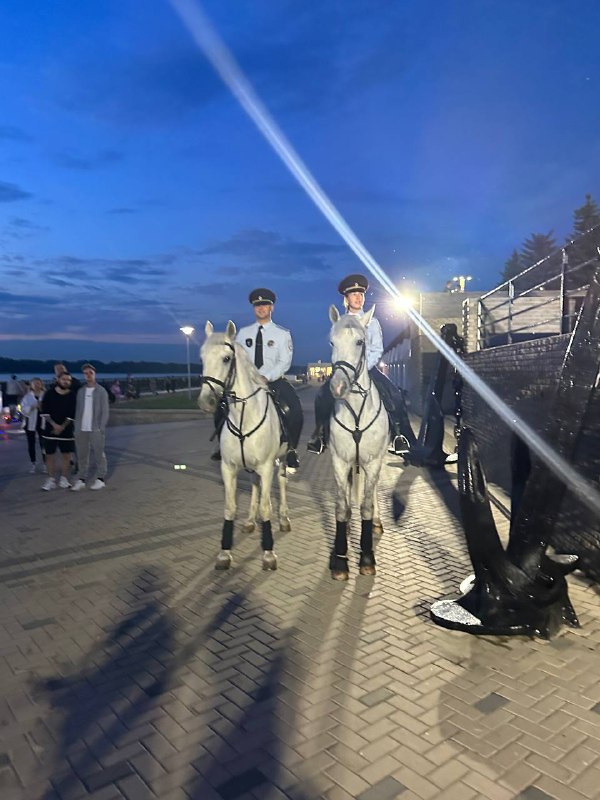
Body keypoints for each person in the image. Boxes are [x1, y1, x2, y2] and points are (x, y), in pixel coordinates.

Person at [306, 273, 416, 456]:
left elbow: (377, 349)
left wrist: (363, 368)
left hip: (368, 369)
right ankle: (320, 436)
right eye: (354, 294)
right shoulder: (339, 323)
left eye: (361, 294)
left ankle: (399, 435)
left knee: (394, 395)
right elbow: (336, 349)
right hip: (344, 370)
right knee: (322, 396)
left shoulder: (372, 322)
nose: (358, 297)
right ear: (346, 298)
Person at [212, 288, 303, 470]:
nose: (261, 308)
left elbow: (284, 362)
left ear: (271, 308)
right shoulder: (243, 333)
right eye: (257, 305)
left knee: (294, 409)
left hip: (274, 381)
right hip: (247, 383)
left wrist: (266, 376)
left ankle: (291, 449)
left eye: (265, 305)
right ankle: (223, 446)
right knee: (221, 407)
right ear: (254, 308)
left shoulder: (282, 334)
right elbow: (237, 359)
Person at [71, 364, 110, 491]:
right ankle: (82, 478)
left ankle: (101, 478)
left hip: (95, 428)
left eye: (90, 373)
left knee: (99, 453)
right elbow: (78, 410)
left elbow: (105, 411)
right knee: (82, 454)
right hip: (81, 428)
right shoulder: (81, 391)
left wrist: (101, 427)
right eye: (86, 373)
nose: (88, 375)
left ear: (94, 374)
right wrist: (76, 427)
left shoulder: (101, 391)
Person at [40, 371, 77, 490]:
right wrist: (54, 425)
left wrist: (62, 426)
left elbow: (72, 413)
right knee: (49, 455)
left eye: (68, 380)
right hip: (50, 431)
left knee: (66, 455)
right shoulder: (49, 394)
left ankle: (64, 479)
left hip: (66, 430)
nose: (66, 381)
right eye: (64, 379)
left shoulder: (72, 395)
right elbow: (44, 411)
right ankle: (51, 479)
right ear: (58, 380)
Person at [21, 378, 46, 473]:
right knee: (31, 443)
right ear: (31, 385)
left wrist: (42, 407)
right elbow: (23, 409)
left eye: (38, 383)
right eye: (34, 383)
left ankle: (45, 464)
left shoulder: (46, 395)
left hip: (43, 421)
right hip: (30, 422)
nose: (36, 385)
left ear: (41, 384)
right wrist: (32, 407)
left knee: (44, 444)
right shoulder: (27, 397)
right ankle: (33, 463)